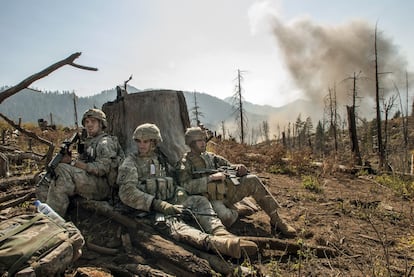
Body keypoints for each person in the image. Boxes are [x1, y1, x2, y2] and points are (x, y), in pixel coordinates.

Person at [117, 123, 257, 259]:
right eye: (139, 141)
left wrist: (179, 195)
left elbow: (176, 182)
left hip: (172, 203)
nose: (141, 145)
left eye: (146, 141)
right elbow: (126, 192)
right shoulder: (131, 162)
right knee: (176, 228)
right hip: (149, 211)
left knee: (199, 201)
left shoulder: (162, 161)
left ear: (154, 142)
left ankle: (220, 232)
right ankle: (219, 244)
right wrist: (158, 204)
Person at [176, 127, 296, 237]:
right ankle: (236, 211)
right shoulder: (185, 162)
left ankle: (276, 219)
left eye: (204, 139)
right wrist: (210, 178)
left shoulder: (211, 157)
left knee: (252, 180)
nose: (203, 142)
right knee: (226, 218)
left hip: (227, 191)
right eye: (199, 140)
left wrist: (238, 167)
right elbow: (185, 186)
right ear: (191, 143)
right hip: (211, 199)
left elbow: (229, 166)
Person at [42, 108, 124, 216]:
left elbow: (102, 169)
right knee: (44, 178)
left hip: (104, 187)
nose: (89, 125)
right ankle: (47, 211)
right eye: (86, 122)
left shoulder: (105, 142)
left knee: (61, 170)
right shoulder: (89, 142)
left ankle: (53, 218)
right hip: (91, 181)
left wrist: (73, 163)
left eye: (93, 121)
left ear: (101, 124)